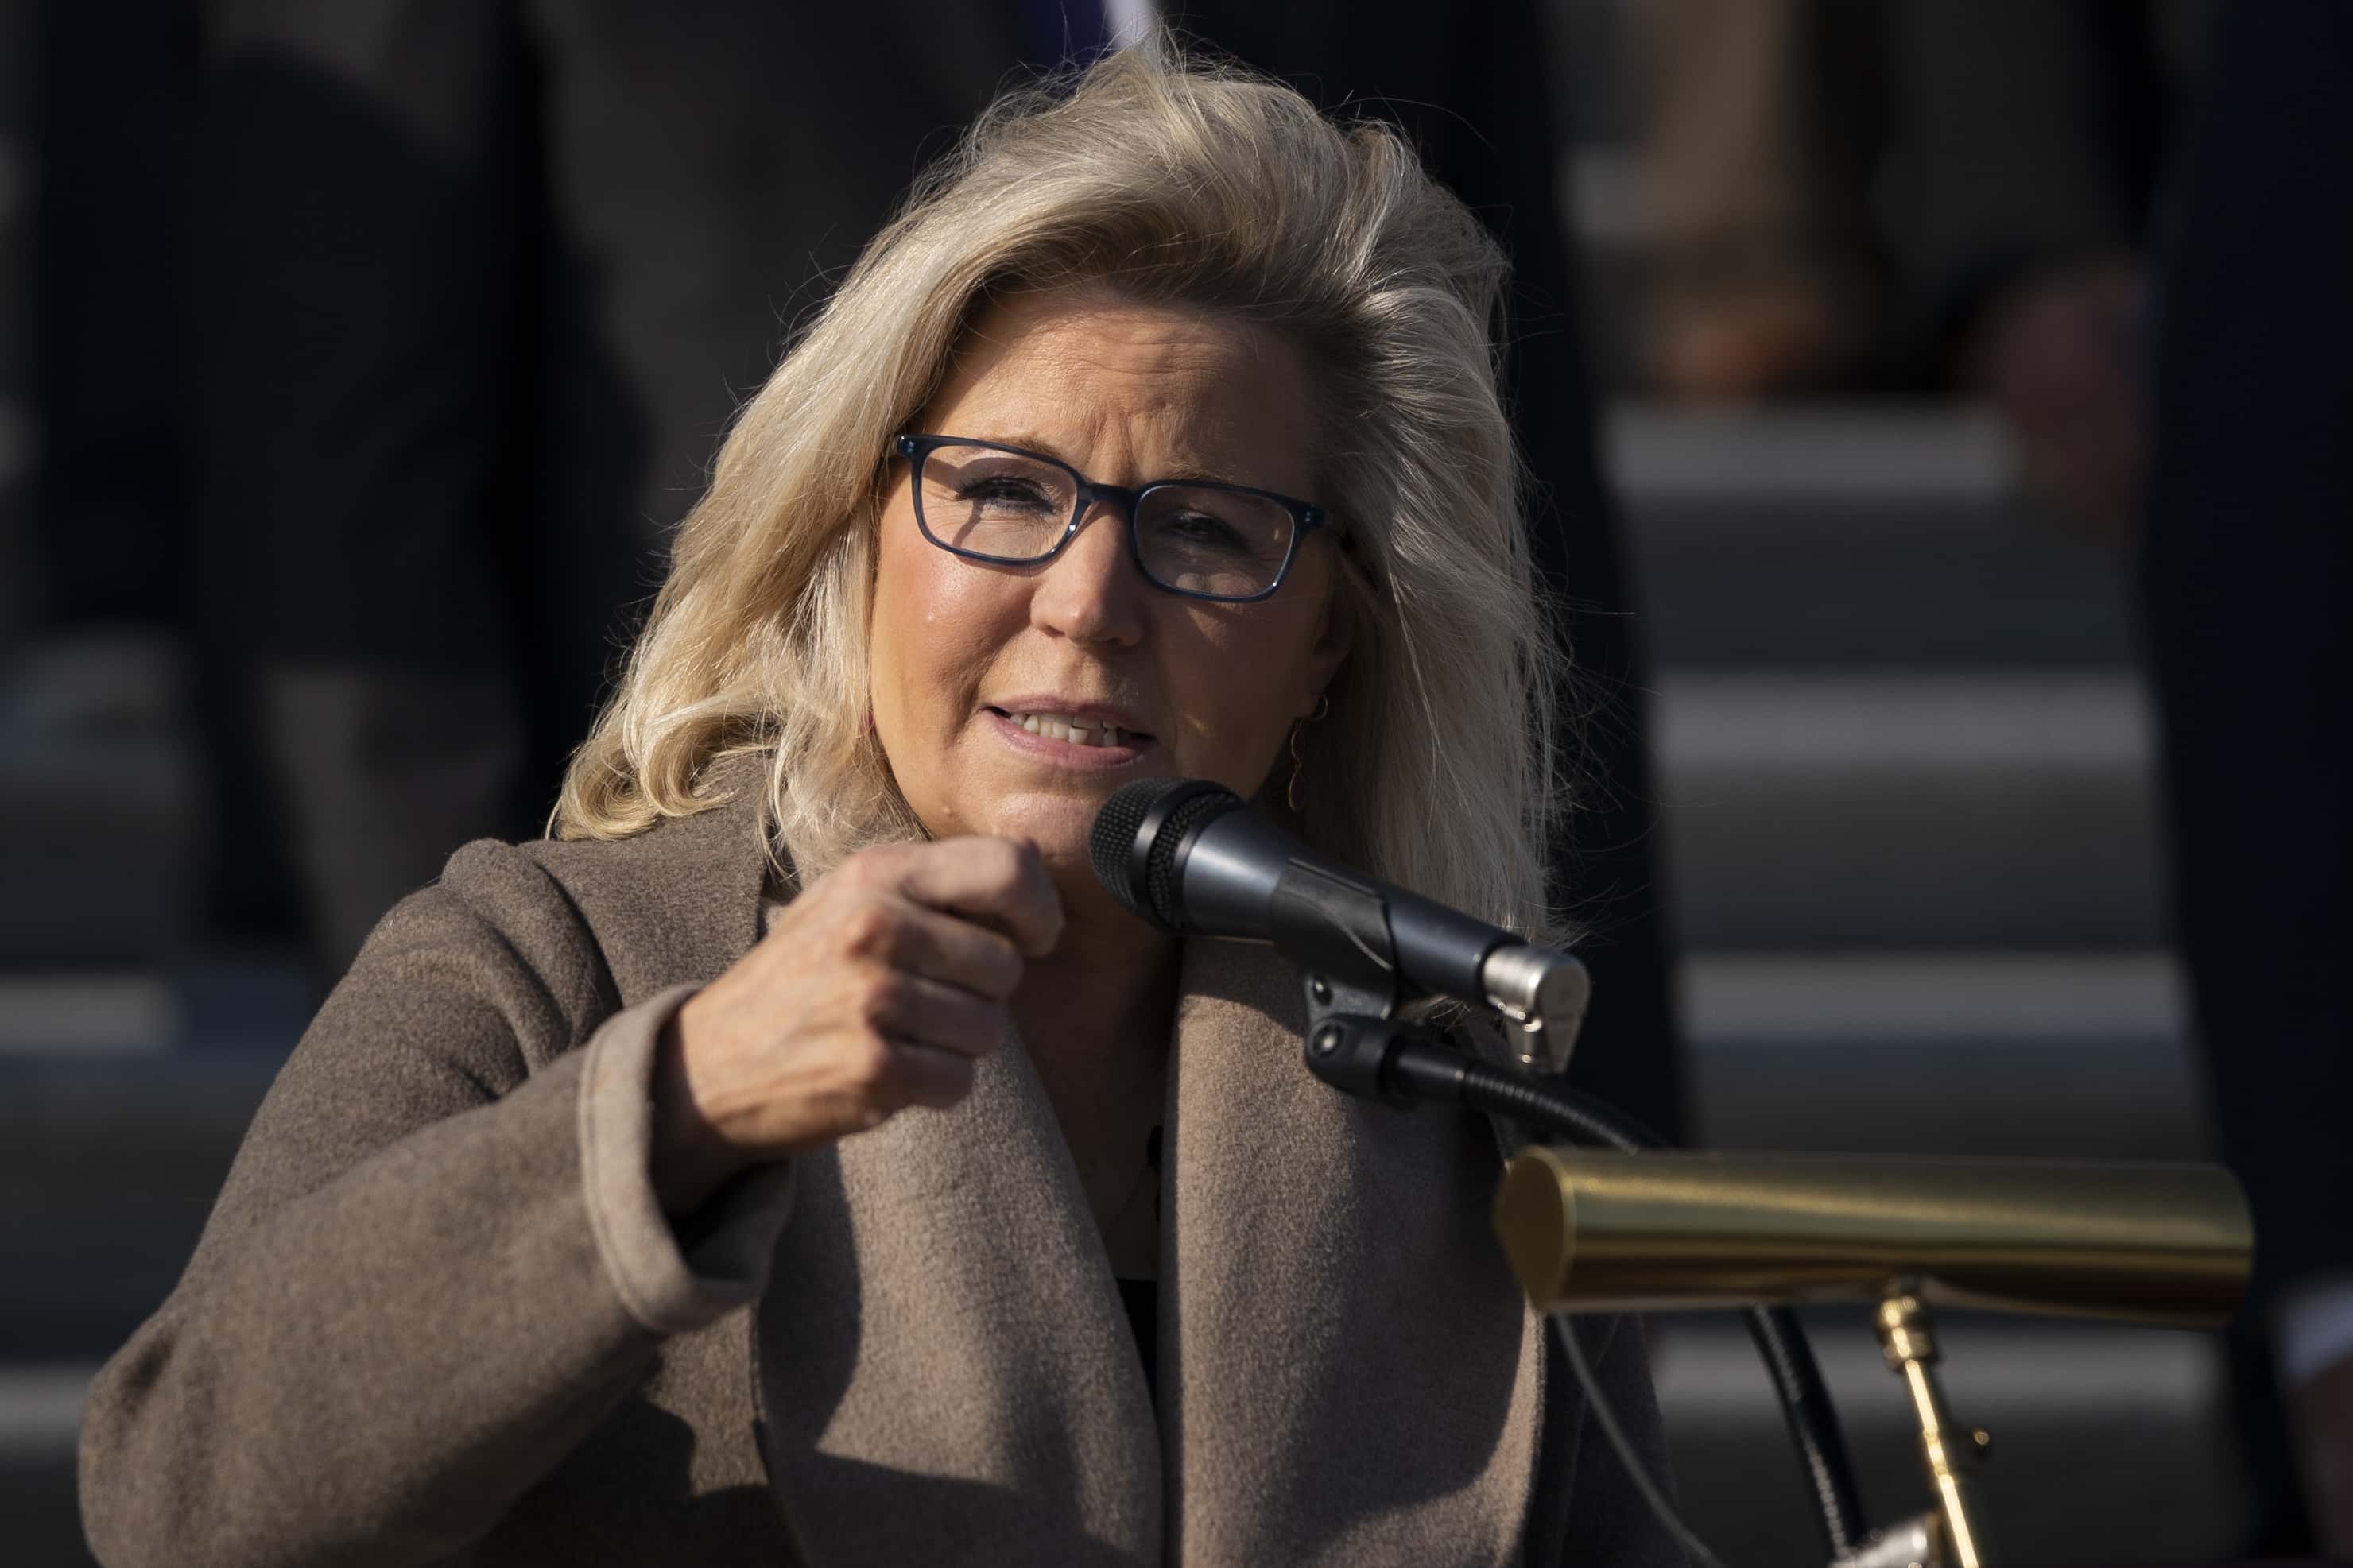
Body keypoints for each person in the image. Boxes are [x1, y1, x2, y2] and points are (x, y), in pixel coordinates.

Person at [78, 48, 1678, 1566]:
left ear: (1331, 639)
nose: (1088, 601)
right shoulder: (550, 963)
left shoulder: (1447, 1111)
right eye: (1002, 492)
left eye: (1203, 529)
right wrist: (683, 1107)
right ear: (854, 540)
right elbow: (177, 1492)